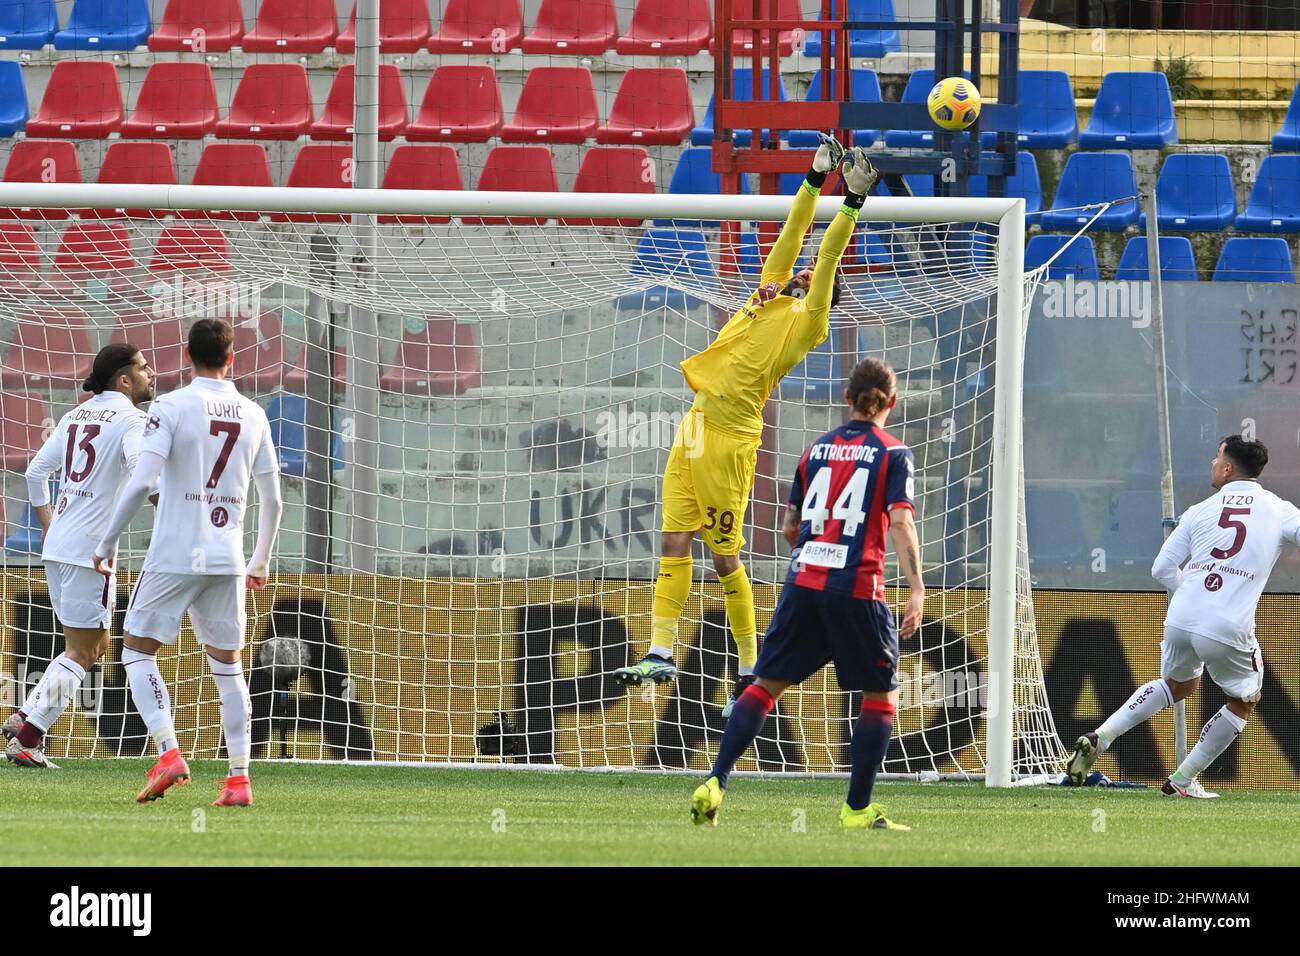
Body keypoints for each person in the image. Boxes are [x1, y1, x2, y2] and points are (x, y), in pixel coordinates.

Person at [613, 136, 880, 719]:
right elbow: (793, 233)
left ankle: (750, 661)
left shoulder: (806, 322)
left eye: (814, 273)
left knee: (724, 558)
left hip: (730, 439)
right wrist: (814, 178)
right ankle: (660, 649)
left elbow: (827, 255)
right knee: (673, 540)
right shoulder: (770, 291)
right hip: (694, 426)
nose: (805, 267)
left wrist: (852, 204)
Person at [690, 358, 923, 829]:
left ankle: (715, 782)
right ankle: (857, 809)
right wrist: (917, 587)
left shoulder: (815, 450)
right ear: (892, 403)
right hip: (857, 585)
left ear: (846, 399)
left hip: (803, 581)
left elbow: (790, 527)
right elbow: (899, 521)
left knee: (766, 685)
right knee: (881, 693)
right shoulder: (893, 453)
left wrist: (820, 549)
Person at [93, 319, 283, 807]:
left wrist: (108, 542)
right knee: (229, 670)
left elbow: (140, 483)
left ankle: (169, 751)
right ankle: (239, 780)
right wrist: (258, 561)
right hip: (228, 559)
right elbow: (275, 500)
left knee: (136, 652)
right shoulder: (254, 413)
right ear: (232, 357)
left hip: (176, 552)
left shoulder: (171, 406)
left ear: (187, 354)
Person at [1066, 435, 1297, 797]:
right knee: (1245, 700)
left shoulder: (1198, 510)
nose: (1211, 462)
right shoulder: (1279, 508)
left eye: (1216, 456)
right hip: (1226, 623)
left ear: (1227, 468)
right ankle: (1182, 781)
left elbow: (1161, 568)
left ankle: (1101, 737)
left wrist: (1192, 588)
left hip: (1182, 615)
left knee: (1177, 685)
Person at [4, 345, 157, 768]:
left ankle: (25, 719)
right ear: (124, 380)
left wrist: (47, 522)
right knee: (84, 652)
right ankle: (29, 734)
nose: (151, 373)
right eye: (143, 368)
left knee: (90, 646)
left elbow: (36, 472)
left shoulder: (75, 416)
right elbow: (143, 473)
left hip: (58, 546)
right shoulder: (131, 419)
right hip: (92, 549)